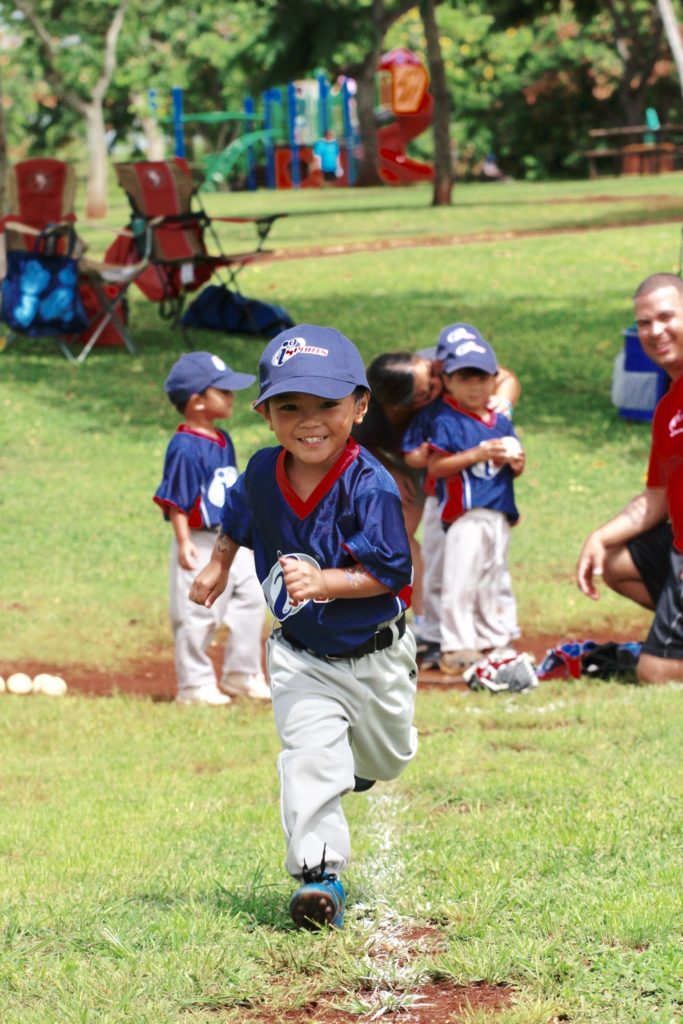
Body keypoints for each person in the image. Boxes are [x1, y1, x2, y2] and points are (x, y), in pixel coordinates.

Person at [189, 324, 418, 930]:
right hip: (302, 654)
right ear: (266, 413)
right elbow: (238, 518)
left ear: (360, 407)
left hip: (378, 653)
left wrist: (328, 582)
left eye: (328, 405)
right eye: (290, 406)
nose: (308, 421)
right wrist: (217, 563)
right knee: (309, 756)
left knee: (389, 756)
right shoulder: (263, 471)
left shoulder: (370, 484)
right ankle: (319, 877)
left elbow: (391, 571)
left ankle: (363, 763)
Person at [353, 341, 520, 654]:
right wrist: (388, 468)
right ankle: (428, 625)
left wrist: (501, 408)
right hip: (418, 459)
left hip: (459, 466)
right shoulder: (370, 415)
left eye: (429, 372)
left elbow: (505, 377)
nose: (436, 381)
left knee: (481, 553)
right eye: (427, 389)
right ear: (405, 405)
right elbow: (357, 442)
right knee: (409, 538)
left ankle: (495, 626)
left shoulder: (442, 364)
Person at [576, 272, 683, 685]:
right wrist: (600, 537)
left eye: (666, 317)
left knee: (654, 674)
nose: (655, 331)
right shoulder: (668, 407)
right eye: (643, 322)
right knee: (616, 562)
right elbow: (656, 496)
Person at [154, 351, 270, 706]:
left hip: (233, 538)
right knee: (197, 613)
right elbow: (175, 499)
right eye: (224, 391)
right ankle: (195, 686)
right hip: (200, 539)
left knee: (252, 599)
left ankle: (242, 673)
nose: (232, 397)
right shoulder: (185, 446)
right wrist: (184, 541)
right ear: (197, 402)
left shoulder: (223, 439)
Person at [402, 326, 521, 669]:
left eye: (481, 377)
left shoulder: (494, 413)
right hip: (446, 503)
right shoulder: (435, 409)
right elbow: (418, 456)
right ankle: (444, 638)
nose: (475, 384)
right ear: (443, 371)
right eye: (463, 376)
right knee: (445, 572)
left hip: (491, 505)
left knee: (490, 572)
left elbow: (508, 380)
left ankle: (494, 634)